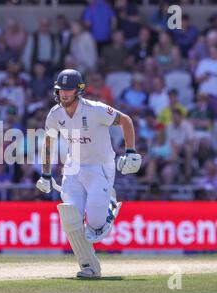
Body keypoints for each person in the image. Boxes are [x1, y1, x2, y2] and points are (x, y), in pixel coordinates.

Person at [35, 69, 141, 279]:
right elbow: (48, 143)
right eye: (61, 90)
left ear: (78, 90)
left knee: (94, 228)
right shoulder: (55, 114)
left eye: (69, 89)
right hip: (73, 168)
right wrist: (46, 174)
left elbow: (126, 120)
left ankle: (109, 205)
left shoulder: (95, 110)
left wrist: (130, 151)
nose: (64, 94)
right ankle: (89, 268)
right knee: (70, 218)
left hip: (100, 168)